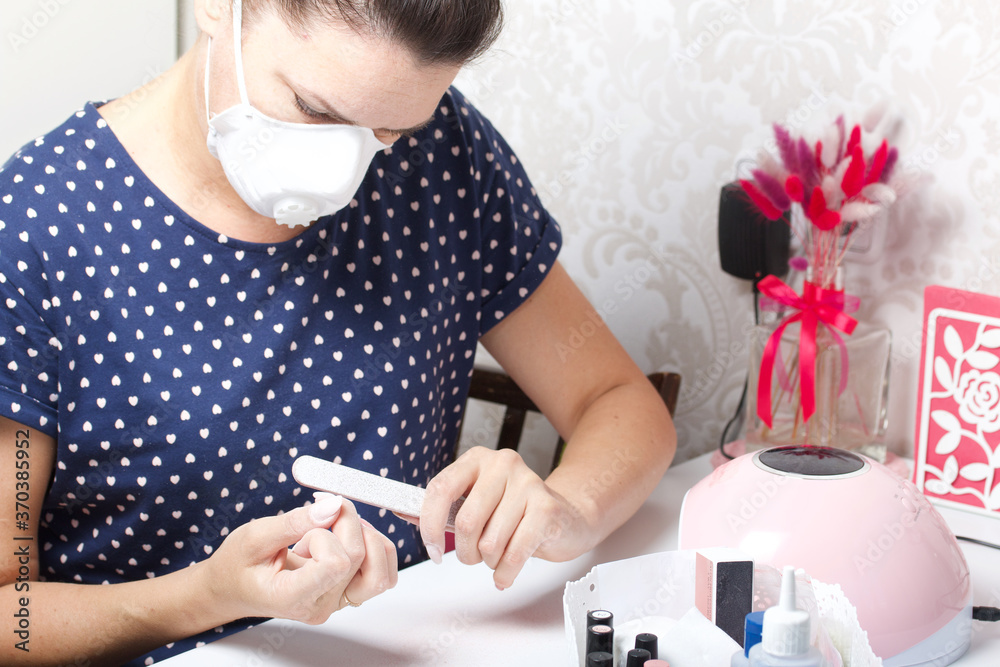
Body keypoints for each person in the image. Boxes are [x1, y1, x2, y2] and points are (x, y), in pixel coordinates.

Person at [0, 0, 676, 664]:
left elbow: (615, 398)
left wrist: (565, 510)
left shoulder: (446, 153)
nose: (341, 173)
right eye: (315, 110)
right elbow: (11, 617)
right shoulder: (33, 230)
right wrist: (206, 596)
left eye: (389, 133)